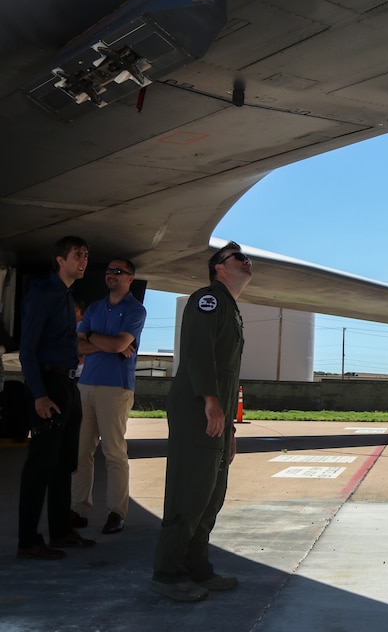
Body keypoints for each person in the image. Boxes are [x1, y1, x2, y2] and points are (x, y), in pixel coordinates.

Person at [150, 242, 252, 602]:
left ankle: (196, 566)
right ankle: (167, 573)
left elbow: (227, 373)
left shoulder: (231, 307)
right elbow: (197, 351)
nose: (246, 262)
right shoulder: (207, 299)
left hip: (216, 413)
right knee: (189, 490)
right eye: (238, 258)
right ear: (219, 268)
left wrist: (231, 429)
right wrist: (210, 401)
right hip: (198, 408)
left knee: (211, 493)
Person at [16, 236, 96, 560]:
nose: (84, 261)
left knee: (64, 463)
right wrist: (39, 395)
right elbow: (27, 350)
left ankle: (61, 531)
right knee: (40, 465)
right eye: (78, 255)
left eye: (86, 255)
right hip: (48, 384)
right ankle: (28, 540)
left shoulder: (65, 296)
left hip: (67, 384)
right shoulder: (43, 293)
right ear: (60, 260)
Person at [71, 258, 146, 535]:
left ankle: (116, 512)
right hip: (86, 385)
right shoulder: (94, 308)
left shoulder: (135, 311)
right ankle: (79, 510)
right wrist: (104, 344)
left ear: (130, 278)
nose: (111, 275)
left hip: (115, 387)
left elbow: (118, 344)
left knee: (113, 452)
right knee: (80, 452)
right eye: (109, 271)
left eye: (118, 272)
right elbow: (78, 347)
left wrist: (93, 338)